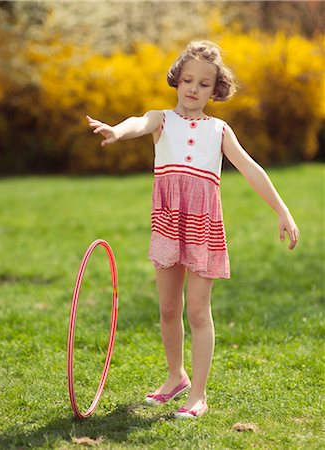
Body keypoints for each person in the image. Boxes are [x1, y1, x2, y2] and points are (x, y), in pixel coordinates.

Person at [86, 40, 300, 419]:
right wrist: (117, 132)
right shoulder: (162, 120)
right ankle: (176, 377)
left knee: (198, 311)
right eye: (187, 80)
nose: (193, 89)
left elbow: (252, 169)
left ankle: (198, 394)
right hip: (169, 221)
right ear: (177, 80)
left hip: (203, 226)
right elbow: (139, 123)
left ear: (216, 89)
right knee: (169, 307)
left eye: (204, 83)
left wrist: (282, 210)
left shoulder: (219, 129)